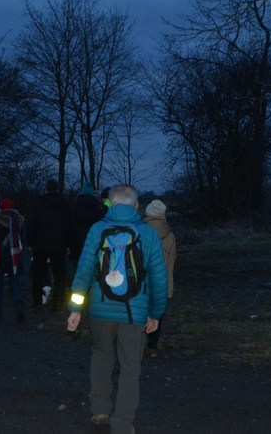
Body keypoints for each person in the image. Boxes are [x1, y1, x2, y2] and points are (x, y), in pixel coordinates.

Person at [67, 185, 168, 433]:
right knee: (130, 367)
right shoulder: (148, 234)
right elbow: (158, 278)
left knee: (101, 356)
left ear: (110, 204)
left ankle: (100, 410)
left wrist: (75, 309)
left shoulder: (98, 229)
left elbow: (83, 272)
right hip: (135, 313)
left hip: (101, 310)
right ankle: (122, 422)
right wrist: (155, 313)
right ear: (136, 206)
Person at [26, 179, 74, 311]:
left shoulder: (37, 203)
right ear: (58, 189)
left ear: (46, 189)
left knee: (38, 274)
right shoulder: (64, 204)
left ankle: (37, 301)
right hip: (59, 244)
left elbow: (31, 223)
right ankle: (57, 300)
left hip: (40, 244)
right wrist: (68, 244)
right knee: (59, 274)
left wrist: (29, 242)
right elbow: (69, 226)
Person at [143, 199, 177, 358]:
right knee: (156, 314)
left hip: (142, 280)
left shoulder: (139, 232)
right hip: (162, 281)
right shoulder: (170, 235)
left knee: (139, 311)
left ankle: (137, 344)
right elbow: (172, 261)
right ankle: (152, 347)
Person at [0, 198, 26, 323]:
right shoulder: (19, 222)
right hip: (15, 256)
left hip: (0, 257)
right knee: (14, 284)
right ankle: (19, 306)